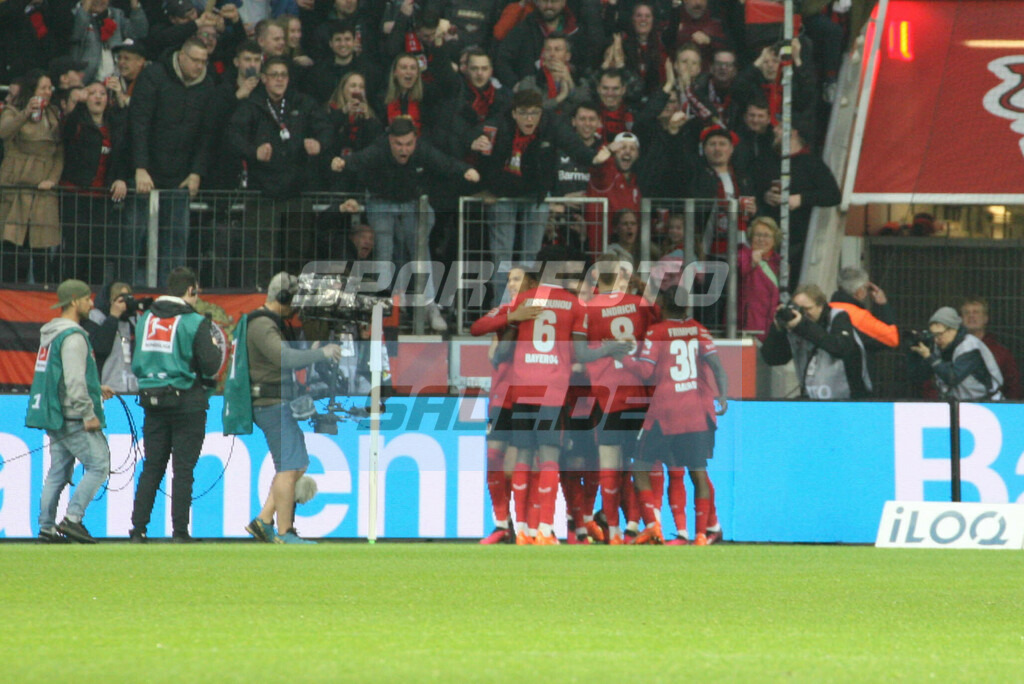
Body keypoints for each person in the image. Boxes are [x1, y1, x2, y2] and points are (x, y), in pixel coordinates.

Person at [331, 116, 480, 331]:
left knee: (420, 251)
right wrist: (343, 162)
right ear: (390, 140)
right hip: (381, 201)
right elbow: (361, 159)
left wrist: (464, 170)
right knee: (384, 251)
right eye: (398, 144)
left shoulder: (422, 150)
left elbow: (442, 161)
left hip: (411, 203)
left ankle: (429, 305)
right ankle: (384, 304)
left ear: (415, 141)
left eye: (409, 144)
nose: (404, 150)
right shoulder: (379, 149)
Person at [228, 272, 342, 543]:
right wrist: (320, 353)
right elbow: (283, 357)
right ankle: (284, 531)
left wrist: (311, 350)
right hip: (270, 403)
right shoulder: (262, 325)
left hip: (275, 402)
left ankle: (263, 521)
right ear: (283, 298)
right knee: (290, 468)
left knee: (296, 464)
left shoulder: (265, 322)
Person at [472, 89, 609, 306]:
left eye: (534, 113)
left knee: (532, 257)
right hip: (503, 195)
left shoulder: (550, 124)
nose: (529, 119)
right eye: (524, 113)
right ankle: (501, 308)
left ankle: (529, 307)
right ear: (514, 113)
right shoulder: (499, 124)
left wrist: (593, 158)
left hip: (536, 194)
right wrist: (474, 143)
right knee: (502, 257)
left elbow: (572, 143)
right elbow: (476, 136)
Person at [621, 282, 728, 546]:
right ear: (688, 306)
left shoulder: (656, 332)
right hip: (697, 411)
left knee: (641, 468)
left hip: (665, 413)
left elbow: (645, 372)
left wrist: (623, 355)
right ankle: (702, 535)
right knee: (698, 472)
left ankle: (653, 526)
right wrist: (722, 396)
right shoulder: (699, 330)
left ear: (662, 307)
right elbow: (717, 366)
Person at [129, 267, 223, 542]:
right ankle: (180, 532)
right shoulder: (194, 322)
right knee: (183, 470)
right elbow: (210, 365)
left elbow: (137, 363)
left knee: (152, 466)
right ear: (191, 291)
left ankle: (138, 529)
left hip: (152, 401)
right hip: (187, 403)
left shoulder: (146, 318)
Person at [575, 253, 657, 545]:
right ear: (621, 276)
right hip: (640, 393)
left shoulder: (586, 309)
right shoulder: (639, 306)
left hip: (608, 397)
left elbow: (579, 353)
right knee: (640, 464)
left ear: (597, 277)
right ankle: (641, 524)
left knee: (609, 465)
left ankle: (614, 533)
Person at [228, 56, 331, 282]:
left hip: (296, 191)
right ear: (263, 78)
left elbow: (326, 129)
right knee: (259, 255)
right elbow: (233, 137)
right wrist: (252, 151)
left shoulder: (302, 103)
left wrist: (319, 144)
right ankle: (259, 302)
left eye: (283, 75)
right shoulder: (252, 105)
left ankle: (293, 304)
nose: (279, 80)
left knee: (298, 253)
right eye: (274, 75)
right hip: (262, 194)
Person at [28, 279, 115, 543]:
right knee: (99, 465)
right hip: (74, 415)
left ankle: (46, 528)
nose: (91, 304)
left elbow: (61, 375)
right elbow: (74, 381)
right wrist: (88, 412)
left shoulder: (51, 334)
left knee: (58, 472)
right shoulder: (74, 336)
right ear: (75, 301)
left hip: (55, 413)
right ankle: (73, 519)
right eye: (88, 299)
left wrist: (96, 387)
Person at [129, 36, 216, 286]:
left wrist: (196, 172)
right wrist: (140, 166)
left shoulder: (207, 85)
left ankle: (172, 293)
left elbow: (206, 134)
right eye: (195, 60)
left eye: (204, 61)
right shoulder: (153, 76)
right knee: (135, 235)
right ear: (181, 56)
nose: (200, 66)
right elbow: (140, 123)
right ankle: (129, 290)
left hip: (181, 176)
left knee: (177, 238)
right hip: (146, 172)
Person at [469, 266, 533, 544]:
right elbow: (476, 328)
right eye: (509, 280)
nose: (512, 284)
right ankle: (501, 524)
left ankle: (524, 525)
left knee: (516, 464)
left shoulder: (542, 314)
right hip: (500, 396)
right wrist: (512, 316)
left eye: (517, 279)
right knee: (494, 458)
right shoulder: (505, 310)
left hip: (527, 396)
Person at [59, 81, 131, 284]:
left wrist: (121, 178)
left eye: (102, 93)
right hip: (76, 194)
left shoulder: (114, 124)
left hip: (101, 197)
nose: (98, 97)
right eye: (92, 93)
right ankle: (70, 293)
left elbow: (123, 152)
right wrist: (76, 99)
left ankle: (94, 297)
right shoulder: (77, 122)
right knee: (75, 248)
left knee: (98, 250)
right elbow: (66, 130)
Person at [0, 69, 63, 284]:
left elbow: (60, 153)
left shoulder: (53, 113)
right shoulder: (13, 110)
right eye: (43, 88)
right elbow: (4, 132)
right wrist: (26, 112)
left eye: (50, 88)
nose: (48, 92)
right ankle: (10, 295)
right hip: (17, 185)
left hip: (43, 189)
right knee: (13, 245)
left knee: (42, 247)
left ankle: (44, 296)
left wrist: (52, 180)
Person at [761, 283, 872, 400]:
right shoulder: (797, 328)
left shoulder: (838, 318)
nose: (803, 315)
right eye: (799, 309)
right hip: (813, 401)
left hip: (847, 400)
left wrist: (803, 326)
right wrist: (777, 330)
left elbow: (841, 348)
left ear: (821, 306)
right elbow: (773, 358)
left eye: (807, 309)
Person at [909, 306, 1004, 401]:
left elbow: (953, 377)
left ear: (953, 330)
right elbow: (919, 376)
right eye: (933, 335)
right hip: (958, 404)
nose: (936, 339)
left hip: (987, 403)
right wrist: (916, 353)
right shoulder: (939, 346)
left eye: (939, 334)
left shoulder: (969, 346)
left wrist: (929, 357)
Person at [70, 0, 149, 84]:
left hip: (115, 80)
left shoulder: (116, 15)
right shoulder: (73, 15)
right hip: (85, 82)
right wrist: (85, 9)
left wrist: (135, 5)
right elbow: (76, 34)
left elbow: (139, 32)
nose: (99, 1)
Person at [82, 281, 141, 393]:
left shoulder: (135, 319)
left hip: (134, 389)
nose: (124, 303)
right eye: (120, 298)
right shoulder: (96, 317)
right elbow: (100, 348)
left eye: (127, 298)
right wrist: (113, 316)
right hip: (108, 389)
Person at [960, 297, 1021, 399]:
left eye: (976, 312)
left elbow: (1013, 386)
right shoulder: (951, 349)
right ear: (961, 319)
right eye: (966, 312)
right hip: (958, 407)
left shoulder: (1001, 352)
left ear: (985, 318)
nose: (971, 315)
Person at [737, 216, 781, 340]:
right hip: (747, 326)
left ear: (774, 239)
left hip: (771, 325)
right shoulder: (743, 255)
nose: (761, 239)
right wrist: (752, 263)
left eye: (767, 236)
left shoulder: (778, 262)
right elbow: (739, 270)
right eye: (757, 235)